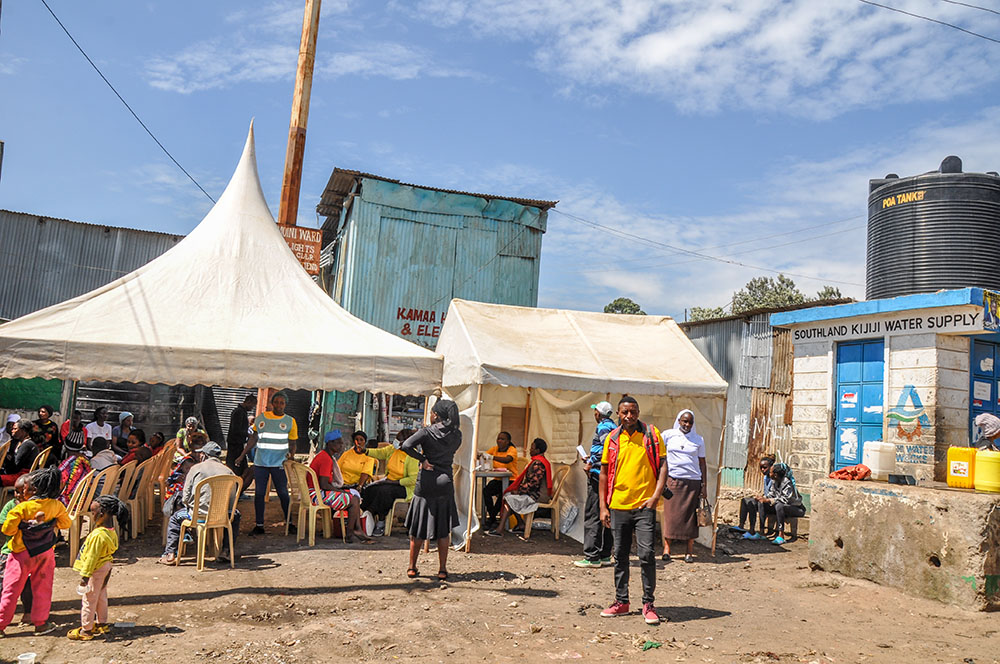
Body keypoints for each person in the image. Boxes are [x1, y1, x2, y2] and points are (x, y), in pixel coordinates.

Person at [598, 396, 667, 626]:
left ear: (638, 411)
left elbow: (664, 466)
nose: (629, 416)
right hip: (618, 505)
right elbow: (604, 473)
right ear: (618, 413)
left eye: (633, 411)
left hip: (644, 505)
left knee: (647, 554)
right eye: (625, 412)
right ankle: (622, 601)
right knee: (620, 556)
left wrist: (655, 496)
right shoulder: (612, 439)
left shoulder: (652, 434)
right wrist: (603, 507)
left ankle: (648, 604)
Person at [0, 467, 71, 635]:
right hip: (45, 553)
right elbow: (65, 524)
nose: (22, 492)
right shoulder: (56, 506)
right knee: (43, 588)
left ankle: (1, 624)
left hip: (21, 555)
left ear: (34, 490)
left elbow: (8, 531)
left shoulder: (21, 509)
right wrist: (50, 523)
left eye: (25, 488)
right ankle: (40, 623)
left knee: (11, 590)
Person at [400, 399, 462, 581]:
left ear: (437, 414)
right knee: (443, 529)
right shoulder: (457, 435)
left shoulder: (426, 432)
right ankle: (442, 570)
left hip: (426, 481)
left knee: (418, 526)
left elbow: (405, 445)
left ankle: (412, 567)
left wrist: (422, 459)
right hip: (445, 481)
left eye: (432, 412)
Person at [158, 442, 241, 564]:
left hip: (198, 515)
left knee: (175, 519)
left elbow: (185, 497)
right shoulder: (228, 471)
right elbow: (232, 500)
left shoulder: (196, 469)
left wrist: (193, 505)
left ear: (204, 455)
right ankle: (226, 551)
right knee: (236, 516)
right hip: (222, 516)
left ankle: (170, 554)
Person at [68, 495, 126, 640]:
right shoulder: (111, 531)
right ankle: (102, 623)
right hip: (106, 567)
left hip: (96, 569)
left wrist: (85, 577)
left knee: (89, 599)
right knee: (101, 596)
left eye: (93, 513)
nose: (92, 516)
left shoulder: (97, 535)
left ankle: (86, 630)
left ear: (101, 514)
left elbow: (92, 559)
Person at [236, 392, 295, 536]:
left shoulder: (290, 421)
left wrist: (291, 456)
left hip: (279, 463)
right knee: (259, 494)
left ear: (285, 405)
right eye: (277, 402)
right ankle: (259, 525)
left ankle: (289, 522)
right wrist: (242, 455)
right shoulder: (261, 418)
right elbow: (254, 438)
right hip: (261, 462)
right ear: (272, 404)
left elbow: (293, 442)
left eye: (282, 403)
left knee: (282, 493)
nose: (279, 405)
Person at [661, 409, 707, 563]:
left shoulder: (698, 439)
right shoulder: (668, 435)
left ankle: (689, 551)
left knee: (690, 518)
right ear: (679, 420)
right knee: (670, 516)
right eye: (684, 421)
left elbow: (702, 463)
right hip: (673, 481)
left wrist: (704, 485)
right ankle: (667, 549)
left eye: (690, 422)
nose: (687, 424)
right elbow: (660, 456)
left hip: (693, 482)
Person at [308, 431, 371, 542]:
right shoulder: (326, 459)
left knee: (353, 497)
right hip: (316, 494)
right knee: (353, 500)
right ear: (330, 444)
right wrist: (340, 492)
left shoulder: (325, 456)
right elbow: (324, 484)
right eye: (339, 443)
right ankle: (351, 532)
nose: (341, 446)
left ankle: (356, 530)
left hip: (316, 491)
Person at [575, 401, 616, 568]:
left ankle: (592, 556)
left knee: (593, 514)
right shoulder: (615, 427)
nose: (594, 414)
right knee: (607, 513)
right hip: (608, 477)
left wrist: (591, 462)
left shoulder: (604, 427)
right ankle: (605, 554)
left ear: (599, 413)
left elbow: (605, 449)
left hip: (598, 476)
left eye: (595, 411)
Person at [486, 438, 552, 537]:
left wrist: (519, 491)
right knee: (509, 496)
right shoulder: (539, 461)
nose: (530, 450)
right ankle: (520, 524)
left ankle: (500, 528)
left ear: (538, 450)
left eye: (532, 448)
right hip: (536, 492)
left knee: (509, 498)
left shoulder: (538, 463)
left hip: (538, 496)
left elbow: (534, 484)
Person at [363, 429, 419, 535]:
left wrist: (394, 482)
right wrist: (366, 451)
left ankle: (381, 521)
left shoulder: (413, 456)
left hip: (405, 487)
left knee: (385, 491)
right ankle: (368, 515)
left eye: (399, 441)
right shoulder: (393, 449)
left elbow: (413, 480)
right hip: (389, 481)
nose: (396, 442)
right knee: (371, 489)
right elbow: (381, 453)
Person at [0, 476, 34, 627]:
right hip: (10, 551)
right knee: (4, 584)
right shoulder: (10, 506)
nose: (18, 495)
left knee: (27, 585)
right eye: (16, 491)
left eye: (22, 491)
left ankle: (28, 613)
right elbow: (3, 526)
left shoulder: (35, 507)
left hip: (30, 552)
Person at [759, 463, 804, 545]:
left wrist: (769, 500)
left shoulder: (787, 483)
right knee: (761, 503)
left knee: (779, 505)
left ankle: (781, 535)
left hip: (796, 508)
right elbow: (771, 494)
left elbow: (785, 499)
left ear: (775, 475)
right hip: (782, 507)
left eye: (771, 472)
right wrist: (764, 498)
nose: (769, 473)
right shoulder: (774, 481)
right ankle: (761, 532)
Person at [482, 431, 518, 530]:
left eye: (502, 439)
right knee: (486, 491)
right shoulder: (494, 449)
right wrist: (480, 455)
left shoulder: (512, 450)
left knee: (503, 495)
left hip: (511, 480)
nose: (499, 441)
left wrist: (492, 457)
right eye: (498, 438)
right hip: (498, 479)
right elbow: (485, 455)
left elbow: (508, 459)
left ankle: (491, 519)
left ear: (508, 441)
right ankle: (493, 518)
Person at [739, 455, 775, 540]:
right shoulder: (766, 477)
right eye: (761, 468)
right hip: (766, 500)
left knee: (760, 503)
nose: (762, 470)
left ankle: (761, 531)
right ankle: (742, 526)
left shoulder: (774, 478)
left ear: (771, 467)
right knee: (746, 501)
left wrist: (764, 498)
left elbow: (774, 495)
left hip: (773, 502)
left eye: (765, 468)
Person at [226, 393, 257, 488]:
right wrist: (248, 434)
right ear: (248, 402)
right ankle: (234, 490)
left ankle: (237, 490)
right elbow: (236, 430)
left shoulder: (242, 412)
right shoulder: (239, 412)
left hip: (238, 445)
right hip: (235, 446)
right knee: (236, 470)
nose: (252, 408)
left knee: (244, 470)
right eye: (252, 405)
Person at [1, 420, 39, 487]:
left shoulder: (27, 445)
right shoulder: (18, 442)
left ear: (23, 431)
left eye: (15, 429)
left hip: (22, 476)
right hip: (16, 472)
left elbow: (15, 467)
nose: (12, 430)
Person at [58, 433, 91, 505]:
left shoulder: (67, 464)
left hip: (67, 503)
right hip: (82, 502)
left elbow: (59, 485)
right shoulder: (86, 461)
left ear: (66, 446)